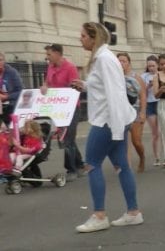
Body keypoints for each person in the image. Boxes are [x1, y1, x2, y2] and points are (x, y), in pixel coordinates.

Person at [71, 22, 142, 233]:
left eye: (83, 36)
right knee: (122, 166)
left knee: (91, 164)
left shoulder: (103, 58)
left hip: (107, 121)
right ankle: (133, 212)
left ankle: (99, 215)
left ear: (93, 38)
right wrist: (84, 85)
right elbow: (104, 87)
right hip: (113, 120)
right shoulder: (104, 57)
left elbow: (114, 92)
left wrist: (118, 128)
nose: (80, 39)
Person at [41, 43, 85, 180]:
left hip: (71, 107)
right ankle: (80, 165)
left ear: (57, 54)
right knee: (67, 138)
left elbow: (75, 86)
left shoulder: (70, 68)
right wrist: (44, 87)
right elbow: (47, 82)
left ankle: (71, 169)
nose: (47, 57)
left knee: (67, 137)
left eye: (49, 54)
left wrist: (62, 92)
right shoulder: (50, 67)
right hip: (57, 107)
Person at [117, 52, 147, 173]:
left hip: (135, 110)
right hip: (121, 111)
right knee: (123, 141)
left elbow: (143, 95)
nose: (121, 63)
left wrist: (143, 112)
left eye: (123, 61)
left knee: (136, 141)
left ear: (129, 63)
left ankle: (142, 157)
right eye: (119, 61)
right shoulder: (115, 76)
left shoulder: (136, 77)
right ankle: (127, 167)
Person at [140, 55, 161, 166]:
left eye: (153, 65)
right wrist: (149, 86)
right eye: (149, 66)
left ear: (157, 65)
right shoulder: (144, 76)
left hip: (160, 103)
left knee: (162, 132)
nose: (151, 68)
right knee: (155, 133)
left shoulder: (161, 75)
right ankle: (156, 157)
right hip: (149, 104)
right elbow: (141, 92)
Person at [0, 51, 23, 126]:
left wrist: (7, 97)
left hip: (11, 105)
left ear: (4, 61)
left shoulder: (12, 72)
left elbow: (21, 91)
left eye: (0, 60)